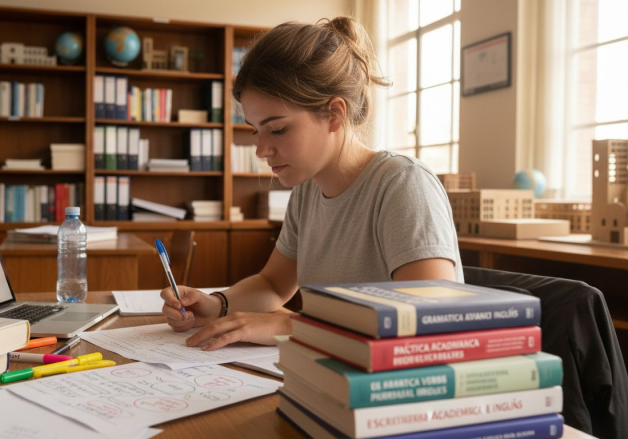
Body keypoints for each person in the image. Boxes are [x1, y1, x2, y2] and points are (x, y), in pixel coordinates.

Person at [161, 16, 463, 351]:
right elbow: (274, 285)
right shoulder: (307, 191)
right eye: (255, 130)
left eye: (277, 129)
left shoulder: (403, 184)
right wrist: (218, 303)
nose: (261, 150)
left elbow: (430, 317)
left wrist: (291, 324)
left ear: (334, 114)